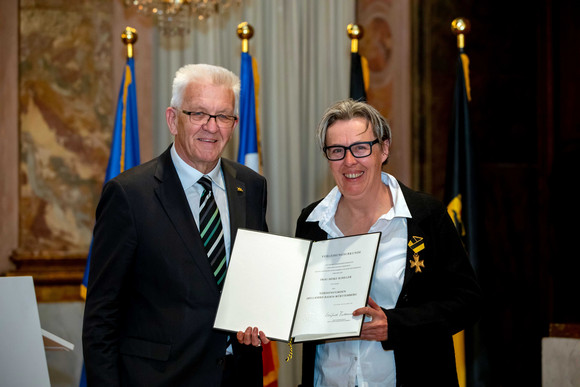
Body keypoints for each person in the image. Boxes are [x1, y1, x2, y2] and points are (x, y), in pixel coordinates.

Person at [83, 64, 269, 386]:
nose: (211, 127)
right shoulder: (129, 195)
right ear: (173, 119)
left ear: (234, 124)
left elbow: (254, 278)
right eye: (198, 113)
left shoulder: (251, 187)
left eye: (223, 116)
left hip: (238, 376)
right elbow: (101, 318)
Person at [296, 99, 482, 386]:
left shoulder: (425, 215)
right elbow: (299, 305)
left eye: (360, 148)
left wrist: (395, 326)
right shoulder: (311, 222)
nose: (349, 161)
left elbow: (467, 302)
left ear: (384, 148)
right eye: (337, 151)